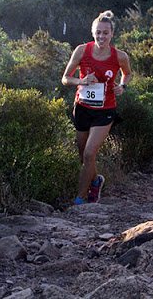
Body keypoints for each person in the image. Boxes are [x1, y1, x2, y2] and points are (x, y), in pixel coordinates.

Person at [62, 10, 132, 205]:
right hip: (83, 107)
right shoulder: (82, 50)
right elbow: (65, 78)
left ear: (112, 34)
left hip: (105, 109)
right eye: (98, 32)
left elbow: (127, 74)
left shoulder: (120, 56)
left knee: (89, 154)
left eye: (105, 33)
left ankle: (80, 200)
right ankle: (95, 181)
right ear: (93, 33)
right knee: (82, 155)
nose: (101, 36)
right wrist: (81, 80)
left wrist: (122, 86)